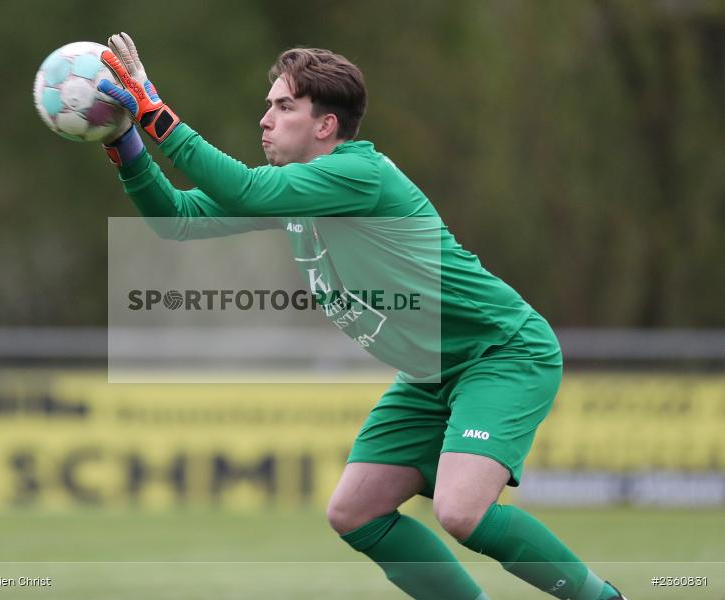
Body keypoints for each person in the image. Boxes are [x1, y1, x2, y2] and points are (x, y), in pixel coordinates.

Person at [95, 32, 626, 600]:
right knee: (355, 511)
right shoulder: (294, 193)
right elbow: (175, 218)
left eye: (283, 106)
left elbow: (244, 189)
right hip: (429, 374)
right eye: (268, 105)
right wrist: (125, 142)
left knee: (460, 511)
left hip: (499, 353)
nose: (265, 119)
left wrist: (154, 112)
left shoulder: (360, 174)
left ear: (325, 126)